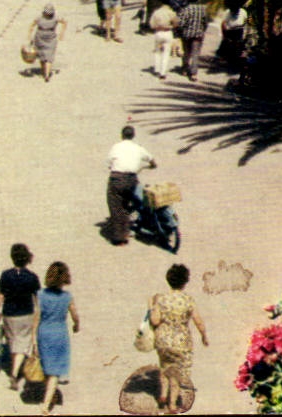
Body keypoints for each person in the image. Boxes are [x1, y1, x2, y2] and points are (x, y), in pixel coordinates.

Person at [149, 264, 208, 415]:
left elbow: (155, 321)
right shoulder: (188, 300)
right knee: (176, 374)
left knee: (164, 366)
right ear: (185, 281)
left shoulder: (161, 299)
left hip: (162, 340)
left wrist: (151, 307)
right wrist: (203, 335)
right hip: (180, 341)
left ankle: (162, 396)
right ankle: (173, 405)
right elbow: (198, 321)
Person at [0, 243, 41, 390]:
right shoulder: (32, 277)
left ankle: (13, 367)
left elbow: (0, 296)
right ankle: (14, 373)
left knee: (13, 341)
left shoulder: (5, 275)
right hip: (25, 315)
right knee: (21, 345)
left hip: (8, 314)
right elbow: (38, 300)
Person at [35, 261, 78, 415]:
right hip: (59, 333)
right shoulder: (67, 297)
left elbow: (36, 317)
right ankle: (46, 405)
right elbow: (75, 315)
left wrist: (34, 338)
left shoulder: (40, 295)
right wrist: (76, 325)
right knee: (55, 371)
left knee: (47, 367)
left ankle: (50, 396)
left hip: (44, 332)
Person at [107, 125, 156, 245]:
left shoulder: (116, 147)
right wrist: (153, 165)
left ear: (122, 135)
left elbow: (109, 163)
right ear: (133, 136)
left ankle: (120, 238)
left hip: (117, 179)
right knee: (132, 202)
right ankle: (130, 229)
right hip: (131, 180)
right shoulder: (138, 148)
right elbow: (151, 159)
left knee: (116, 206)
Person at [175, 0, 210, 82]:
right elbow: (206, 22)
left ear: (188, 0)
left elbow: (181, 23)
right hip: (198, 35)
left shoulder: (186, 9)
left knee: (187, 52)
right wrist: (203, 30)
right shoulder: (203, 9)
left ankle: (184, 69)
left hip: (187, 34)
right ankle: (194, 73)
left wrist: (179, 31)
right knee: (195, 54)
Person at [28, 4, 65, 82]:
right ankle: (44, 72)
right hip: (39, 38)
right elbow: (32, 25)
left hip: (51, 38)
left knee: (49, 56)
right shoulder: (39, 18)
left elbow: (64, 22)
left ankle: (46, 75)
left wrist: (62, 33)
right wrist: (30, 36)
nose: (48, 14)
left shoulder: (56, 18)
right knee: (41, 56)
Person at [149, 0, 178, 80]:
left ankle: (157, 69)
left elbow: (151, 25)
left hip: (158, 33)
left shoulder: (156, 12)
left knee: (157, 51)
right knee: (166, 52)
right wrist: (171, 26)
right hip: (168, 32)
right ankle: (163, 72)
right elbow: (176, 23)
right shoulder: (171, 12)